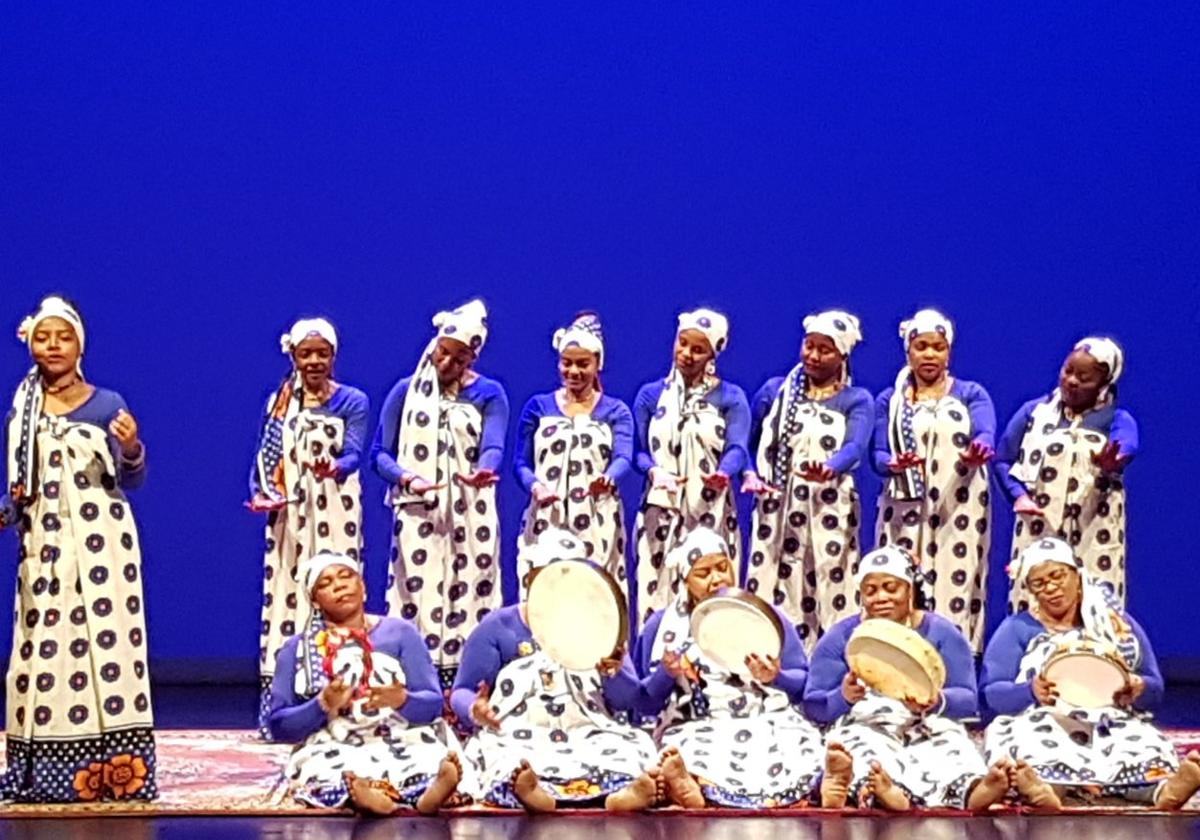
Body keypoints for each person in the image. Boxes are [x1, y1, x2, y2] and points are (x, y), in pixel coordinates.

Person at [1, 295, 157, 802]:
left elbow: (131, 478)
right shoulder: (23, 411)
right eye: (43, 337)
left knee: (106, 646)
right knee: (44, 646)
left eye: (62, 337)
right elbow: (19, 487)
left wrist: (132, 447)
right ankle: (41, 770)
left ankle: (117, 771)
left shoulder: (108, 403)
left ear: (79, 345)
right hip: (44, 546)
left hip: (102, 548)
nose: (52, 346)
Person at [449, 529, 662, 812]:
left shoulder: (602, 625)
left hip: (591, 729)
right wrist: (475, 708)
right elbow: (461, 690)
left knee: (630, 749)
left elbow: (627, 700)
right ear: (531, 579)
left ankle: (620, 796)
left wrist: (614, 671)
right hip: (522, 729)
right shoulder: (498, 627)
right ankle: (535, 795)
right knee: (505, 757)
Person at [980, 537, 1200, 810]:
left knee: (1142, 745)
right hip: (1045, 718)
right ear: (1030, 590)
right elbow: (992, 693)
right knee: (1027, 744)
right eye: (1039, 583)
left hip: (1111, 719)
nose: (1050, 588)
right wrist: (1030, 691)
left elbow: (1155, 687)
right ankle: (1046, 790)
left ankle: (1162, 790)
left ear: (1076, 574)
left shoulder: (1117, 625)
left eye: (1057, 576)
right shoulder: (1016, 628)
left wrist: (1138, 687)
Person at [804, 546, 1010, 811]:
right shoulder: (842, 636)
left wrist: (936, 701)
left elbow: (969, 700)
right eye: (871, 590)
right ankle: (879, 791)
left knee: (951, 746)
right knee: (861, 748)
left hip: (928, 721)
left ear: (910, 590)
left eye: (891, 588)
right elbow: (813, 705)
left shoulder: (941, 632)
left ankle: (973, 792)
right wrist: (842, 696)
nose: (881, 597)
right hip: (868, 722)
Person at [371, 299, 509, 689]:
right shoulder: (405, 391)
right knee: (417, 592)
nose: (447, 364)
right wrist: (408, 479)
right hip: (418, 512)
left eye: (460, 358)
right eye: (443, 353)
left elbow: (494, 444)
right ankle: (416, 687)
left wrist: (486, 469)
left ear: (473, 358)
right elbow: (380, 454)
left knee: (472, 591)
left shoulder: (489, 393)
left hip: (471, 511)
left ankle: (468, 689)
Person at [632, 528, 823, 809]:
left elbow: (801, 686)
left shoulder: (765, 615)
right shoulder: (661, 627)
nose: (716, 579)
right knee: (693, 752)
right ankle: (692, 788)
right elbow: (645, 704)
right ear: (685, 580)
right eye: (703, 573)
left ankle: (812, 790)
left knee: (800, 745)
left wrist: (776, 677)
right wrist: (666, 674)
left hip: (767, 718)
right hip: (697, 724)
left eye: (723, 568)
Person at [267, 552, 467, 815]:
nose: (338, 586)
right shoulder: (297, 649)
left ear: (362, 588)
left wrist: (402, 699)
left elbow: (432, 705)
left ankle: (429, 795)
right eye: (325, 584)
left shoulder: (400, 633)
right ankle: (367, 796)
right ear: (315, 601)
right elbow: (279, 727)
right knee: (325, 771)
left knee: (426, 760)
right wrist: (322, 704)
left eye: (346, 577)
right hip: (334, 741)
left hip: (402, 735)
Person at [248, 317, 369, 736]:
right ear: (294, 357)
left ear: (334, 356)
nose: (314, 361)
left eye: (322, 353)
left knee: (339, 592)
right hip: (291, 517)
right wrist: (263, 494)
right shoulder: (279, 404)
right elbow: (264, 461)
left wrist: (334, 468)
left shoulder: (353, 400)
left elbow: (354, 452)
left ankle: (350, 698)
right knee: (288, 596)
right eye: (306, 354)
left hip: (336, 510)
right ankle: (289, 710)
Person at [743, 310, 872, 652]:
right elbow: (747, 441)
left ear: (842, 355)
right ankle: (771, 663)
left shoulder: (855, 400)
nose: (813, 356)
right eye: (809, 346)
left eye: (824, 350)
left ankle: (830, 669)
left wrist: (829, 468)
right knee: (775, 584)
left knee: (831, 584)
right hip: (777, 510)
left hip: (830, 508)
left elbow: (855, 446)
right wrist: (751, 474)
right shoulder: (776, 392)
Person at [872, 308, 996, 652]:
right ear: (908, 351)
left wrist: (979, 449)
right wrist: (893, 464)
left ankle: (957, 660)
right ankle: (896, 654)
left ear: (949, 351)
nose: (929, 354)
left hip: (960, 503)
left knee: (958, 578)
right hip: (903, 506)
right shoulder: (891, 400)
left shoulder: (970, 393)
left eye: (937, 347)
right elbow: (878, 454)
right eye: (921, 346)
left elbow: (985, 431)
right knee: (901, 575)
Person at [994, 337, 1136, 611]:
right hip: (1039, 526)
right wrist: (1018, 497)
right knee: (1036, 604)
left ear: (1104, 384)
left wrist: (1112, 462)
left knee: (1095, 605)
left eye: (1084, 378)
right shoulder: (1034, 413)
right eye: (1068, 371)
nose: (1072, 381)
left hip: (1094, 530)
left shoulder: (1116, 419)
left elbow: (1126, 448)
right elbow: (1003, 459)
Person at [632, 308, 749, 628]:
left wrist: (723, 473)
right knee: (656, 587)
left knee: (711, 590)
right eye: (682, 344)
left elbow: (738, 447)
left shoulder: (730, 397)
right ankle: (656, 665)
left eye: (698, 349)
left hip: (710, 509)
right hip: (660, 511)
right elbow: (638, 452)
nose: (686, 354)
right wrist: (655, 472)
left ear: (713, 353)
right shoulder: (651, 395)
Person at [514, 312, 633, 593]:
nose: (574, 372)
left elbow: (623, 457)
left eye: (583, 364)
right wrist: (535, 487)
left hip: (596, 517)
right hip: (546, 513)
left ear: (597, 365)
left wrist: (609, 478)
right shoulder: (538, 406)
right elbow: (521, 462)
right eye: (567, 363)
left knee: (594, 591)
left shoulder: (616, 411)